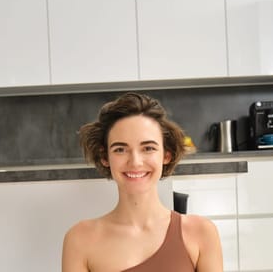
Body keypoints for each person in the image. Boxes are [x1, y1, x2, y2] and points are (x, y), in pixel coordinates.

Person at [62, 92, 223, 272]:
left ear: (166, 154)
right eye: (120, 149)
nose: (135, 162)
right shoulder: (80, 239)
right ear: (104, 157)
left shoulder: (201, 233)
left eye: (148, 148)